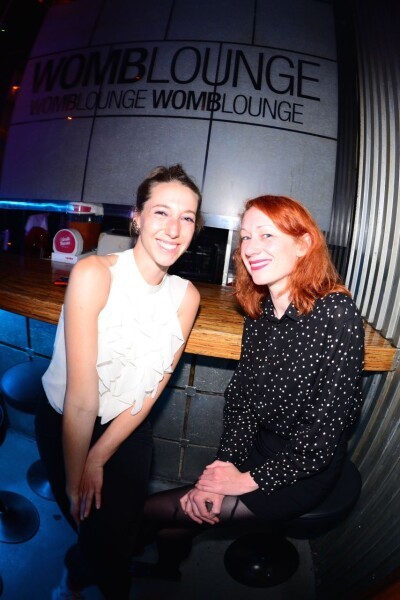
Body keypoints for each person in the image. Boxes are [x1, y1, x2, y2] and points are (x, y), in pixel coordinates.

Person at [130, 194, 365, 581]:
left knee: (151, 511)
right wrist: (225, 466)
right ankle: (166, 570)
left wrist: (243, 481)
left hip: (303, 470)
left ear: (303, 244)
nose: (251, 248)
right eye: (246, 237)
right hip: (258, 448)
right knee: (182, 517)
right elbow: (241, 402)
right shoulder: (260, 310)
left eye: (267, 235)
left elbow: (320, 439)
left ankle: (112, 562)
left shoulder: (335, 314)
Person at [35, 164, 202, 599]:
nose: (174, 229)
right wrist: (78, 475)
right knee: (87, 523)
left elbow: (153, 388)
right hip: (66, 419)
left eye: (186, 217)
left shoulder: (186, 297)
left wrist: (100, 456)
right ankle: (79, 577)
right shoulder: (95, 273)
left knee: (117, 535)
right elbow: (81, 402)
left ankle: (83, 576)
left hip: (128, 424)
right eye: (161, 212)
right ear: (137, 217)